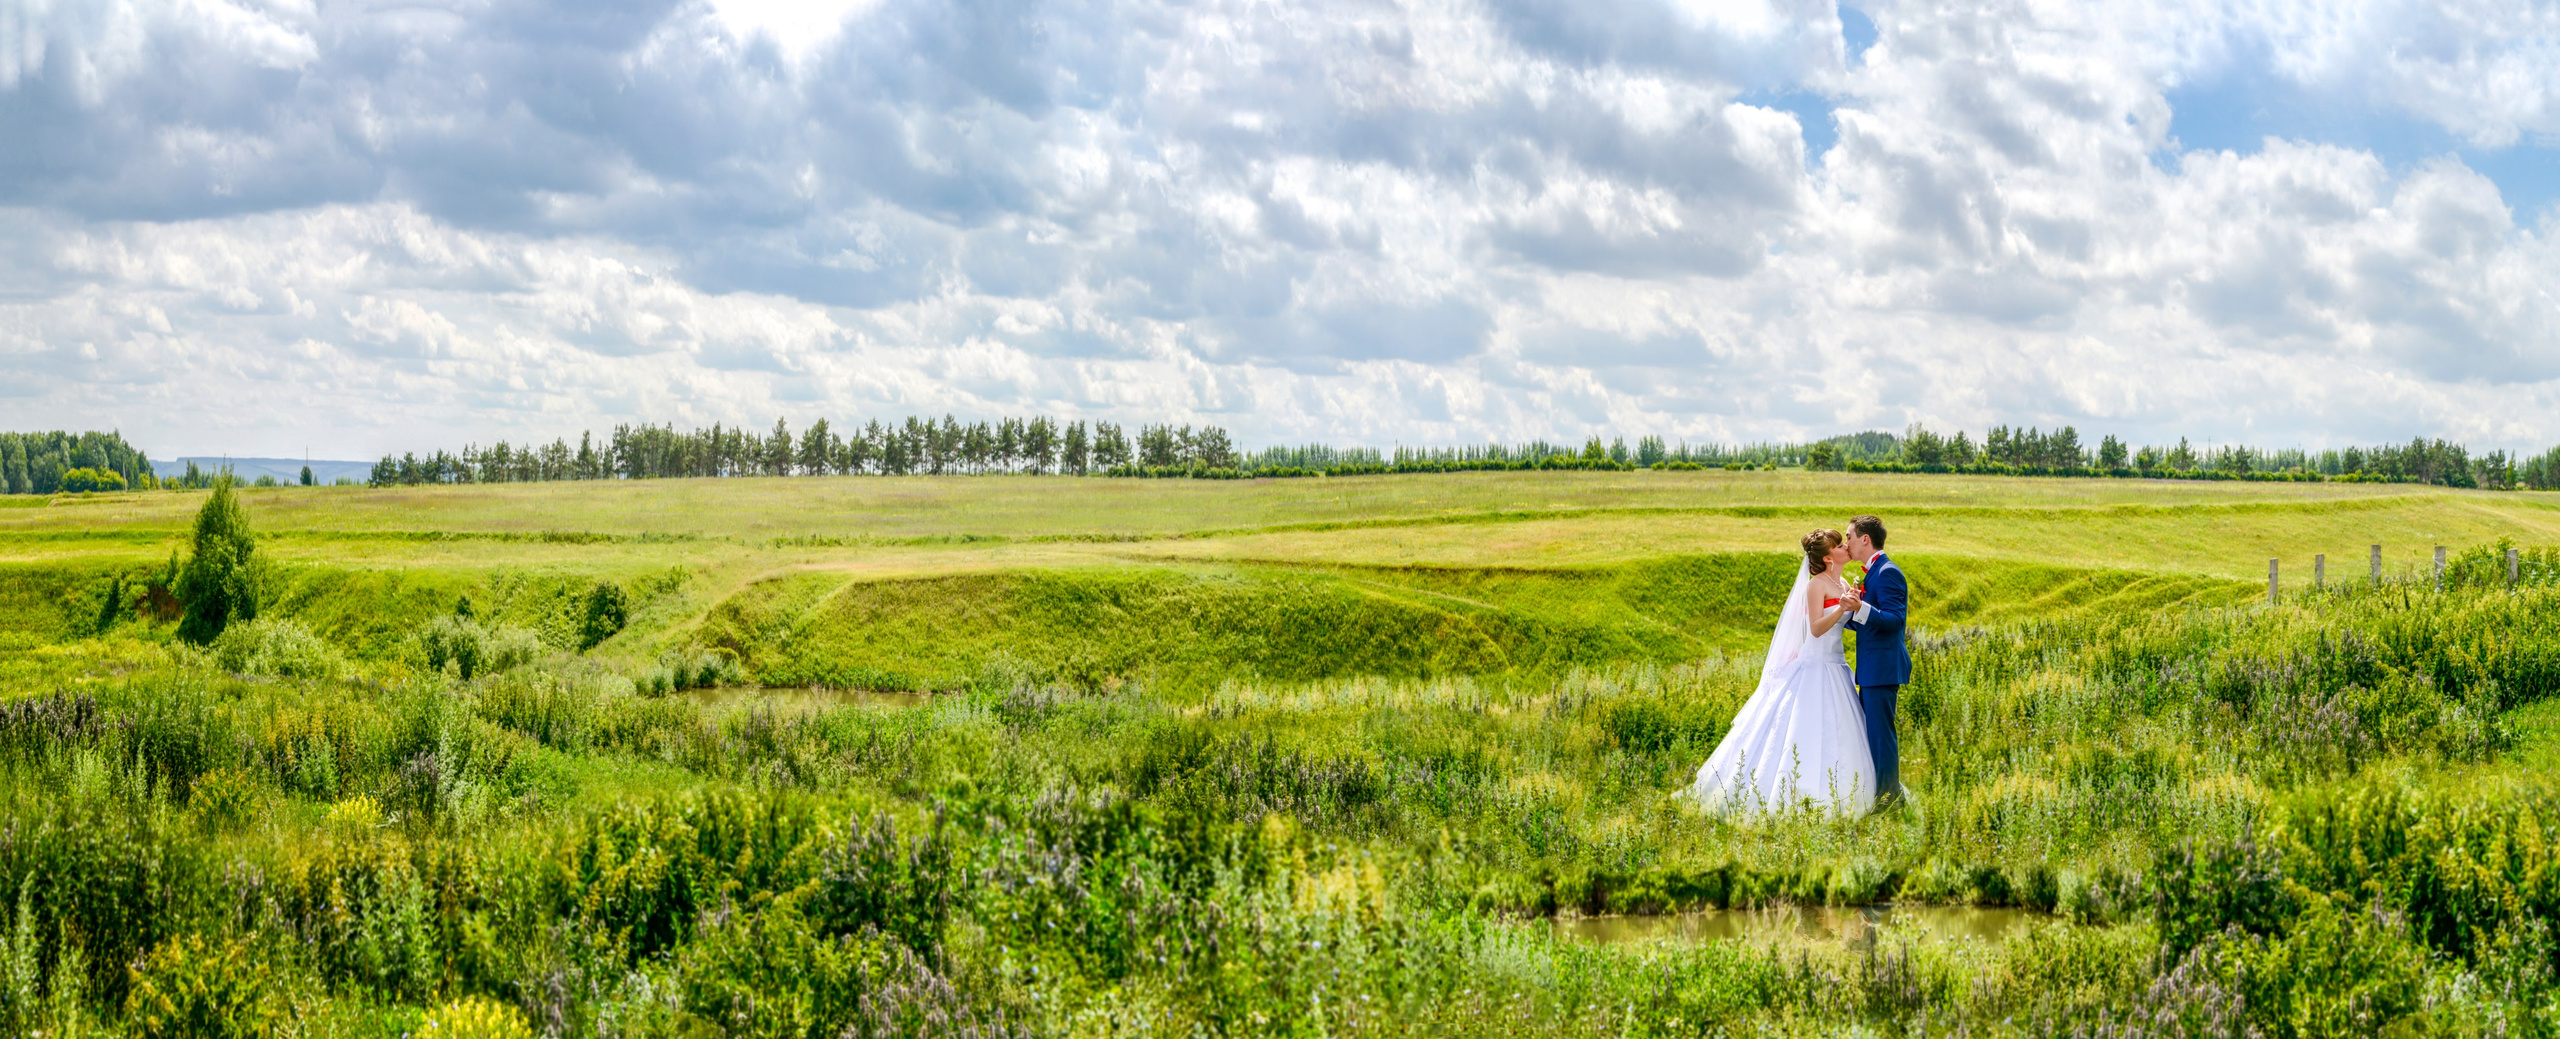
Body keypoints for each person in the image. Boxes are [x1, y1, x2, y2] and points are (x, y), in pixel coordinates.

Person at [1682, 529, 1875, 816]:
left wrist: (1853, 602)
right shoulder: (1816, 585)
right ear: (1827, 557)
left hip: (1837, 665)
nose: (1847, 546)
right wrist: (1841, 609)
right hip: (1816, 663)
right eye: (1840, 545)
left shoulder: (1844, 581)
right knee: (1802, 729)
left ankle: (1851, 792)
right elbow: (1817, 629)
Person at [1838, 514, 1910, 810]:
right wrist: (1840, 615)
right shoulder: (1872, 573)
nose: (1847, 543)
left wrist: (1861, 608)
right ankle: (1882, 794)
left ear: (1865, 539)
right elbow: (1867, 620)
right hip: (1871, 670)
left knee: (1881, 738)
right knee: (1871, 736)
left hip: (1882, 669)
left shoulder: (1888, 572)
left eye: (1850, 537)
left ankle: (1889, 800)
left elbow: (1895, 621)